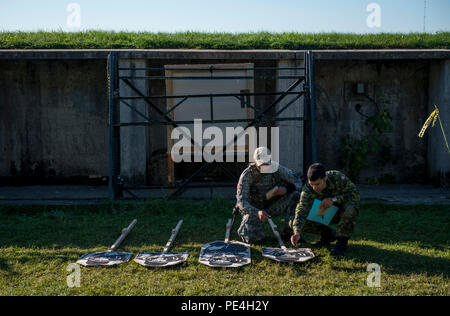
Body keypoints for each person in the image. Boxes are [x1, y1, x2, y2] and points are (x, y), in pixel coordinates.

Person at [235, 147, 303, 244]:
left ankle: (290, 231)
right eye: (261, 165)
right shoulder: (247, 175)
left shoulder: (277, 168)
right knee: (252, 239)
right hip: (255, 210)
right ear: (255, 162)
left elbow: (298, 183)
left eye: (267, 164)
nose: (264, 168)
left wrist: (286, 189)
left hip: (273, 206)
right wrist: (257, 212)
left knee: (296, 196)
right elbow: (241, 202)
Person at [290, 163, 360, 256]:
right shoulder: (307, 188)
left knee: (350, 208)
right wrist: (297, 232)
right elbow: (302, 209)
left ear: (325, 178)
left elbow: (355, 194)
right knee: (294, 223)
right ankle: (328, 234)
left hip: (341, 213)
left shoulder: (337, 178)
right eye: (312, 184)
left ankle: (341, 243)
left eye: (318, 184)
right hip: (323, 214)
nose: (315, 188)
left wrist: (334, 200)